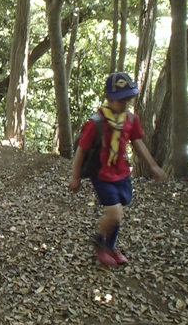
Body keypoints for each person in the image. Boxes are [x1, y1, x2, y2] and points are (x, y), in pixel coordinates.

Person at [69, 71, 165, 266]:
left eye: (127, 100)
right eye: (120, 100)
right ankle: (99, 241)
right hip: (102, 175)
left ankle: (110, 247)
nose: (124, 104)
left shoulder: (129, 120)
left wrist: (153, 167)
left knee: (118, 215)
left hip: (121, 174)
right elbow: (81, 150)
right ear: (108, 98)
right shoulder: (95, 122)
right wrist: (75, 177)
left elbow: (138, 143)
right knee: (114, 214)